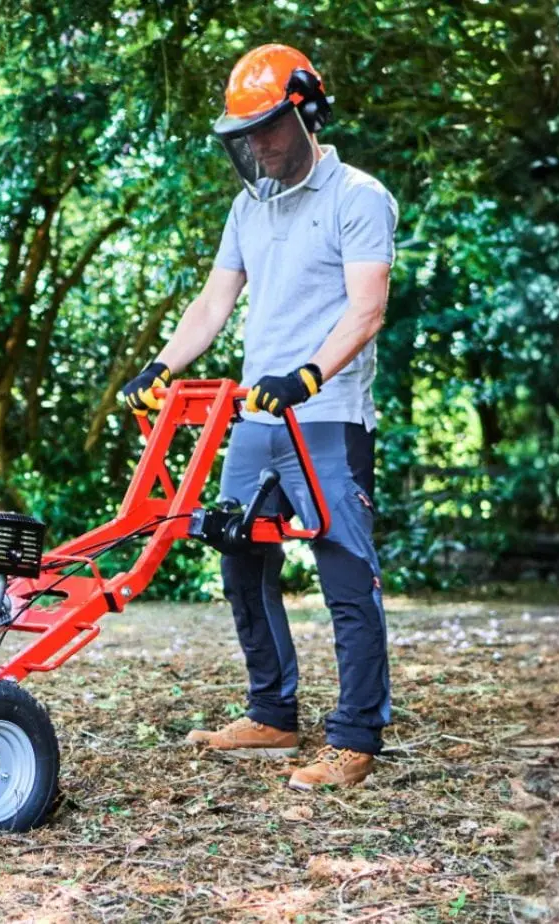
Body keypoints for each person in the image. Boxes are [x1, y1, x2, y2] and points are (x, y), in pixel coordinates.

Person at [118, 43, 396, 790]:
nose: (258, 144)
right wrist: (161, 366)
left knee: (345, 575)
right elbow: (214, 304)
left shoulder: (357, 196)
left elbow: (368, 310)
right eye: (246, 131)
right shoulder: (249, 207)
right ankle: (273, 713)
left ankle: (356, 737)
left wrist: (308, 375)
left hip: (328, 416)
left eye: (270, 127)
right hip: (255, 418)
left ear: (306, 113)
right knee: (239, 559)